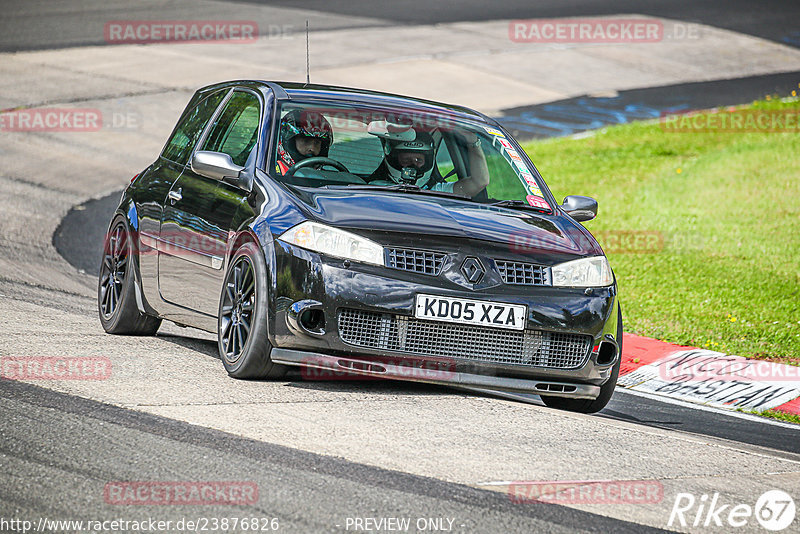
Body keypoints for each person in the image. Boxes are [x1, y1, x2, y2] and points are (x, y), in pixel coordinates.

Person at [368, 126, 489, 197]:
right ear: (394, 159)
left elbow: (480, 182)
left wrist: (473, 142)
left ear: (428, 160)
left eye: (418, 160)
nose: (413, 164)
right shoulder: (374, 189)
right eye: (406, 160)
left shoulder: (438, 191)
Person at [276, 109, 333, 175]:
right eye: (306, 141)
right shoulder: (270, 175)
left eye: (316, 143)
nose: (312, 148)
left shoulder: (325, 177)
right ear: (290, 142)